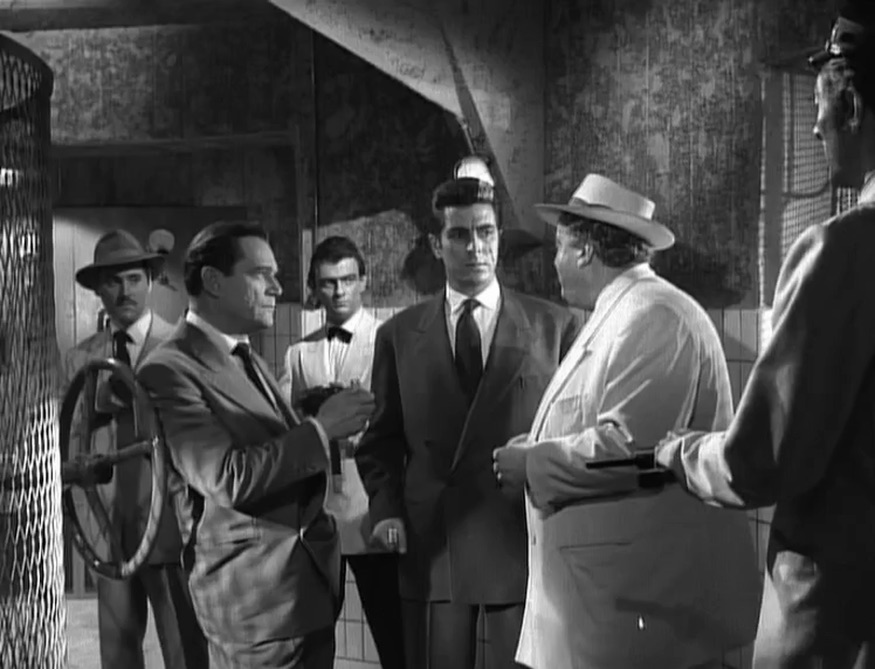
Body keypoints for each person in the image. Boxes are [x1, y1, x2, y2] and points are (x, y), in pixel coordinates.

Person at [654, 4, 875, 667]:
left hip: (837, 615)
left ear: (852, 106)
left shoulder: (843, 250)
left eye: (818, 107)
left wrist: (681, 452)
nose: (814, 126)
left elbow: (765, 459)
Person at [492, 174, 761, 669]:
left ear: (585, 251)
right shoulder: (622, 312)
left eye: (559, 247)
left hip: (639, 609)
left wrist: (532, 464)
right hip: (606, 606)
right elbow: (605, 420)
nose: (554, 261)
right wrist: (538, 442)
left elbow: (633, 451)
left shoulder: (655, 316)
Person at [355, 156, 579, 669]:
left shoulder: (552, 327)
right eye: (459, 235)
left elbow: (573, 435)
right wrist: (386, 509)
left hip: (518, 536)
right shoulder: (399, 335)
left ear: (499, 237)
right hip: (434, 542)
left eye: (485, 233)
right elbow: (380, 441)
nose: (475, 248)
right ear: (436, 245)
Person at [137, 220, 376, 669]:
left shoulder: (245, 354)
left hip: (304, 593)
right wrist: (321, 429)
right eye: (261, 274)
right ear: (213, 281)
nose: (277, 288)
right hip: (253, 608)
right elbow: (227, 477)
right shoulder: (168, 369)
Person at [64, 229, 207, 669]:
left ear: (149, 280)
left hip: (171, 524)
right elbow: (71, 445)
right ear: (97, 290)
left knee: (184, 649)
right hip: (110, 527)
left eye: (132, 279)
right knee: (118, 655)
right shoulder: (81, 360)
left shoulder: (183, 348)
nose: (124, 291)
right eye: (112, 282)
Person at [279, 235, 405, 669]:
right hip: (320, 512)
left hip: (373, 504)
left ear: (364, 281)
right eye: (328, 283)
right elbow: (285, 425)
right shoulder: (299, 353)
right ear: (314, 287)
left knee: (393, 631)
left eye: (347, 280)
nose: (338, 292)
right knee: (314, 633)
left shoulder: (391, 339)